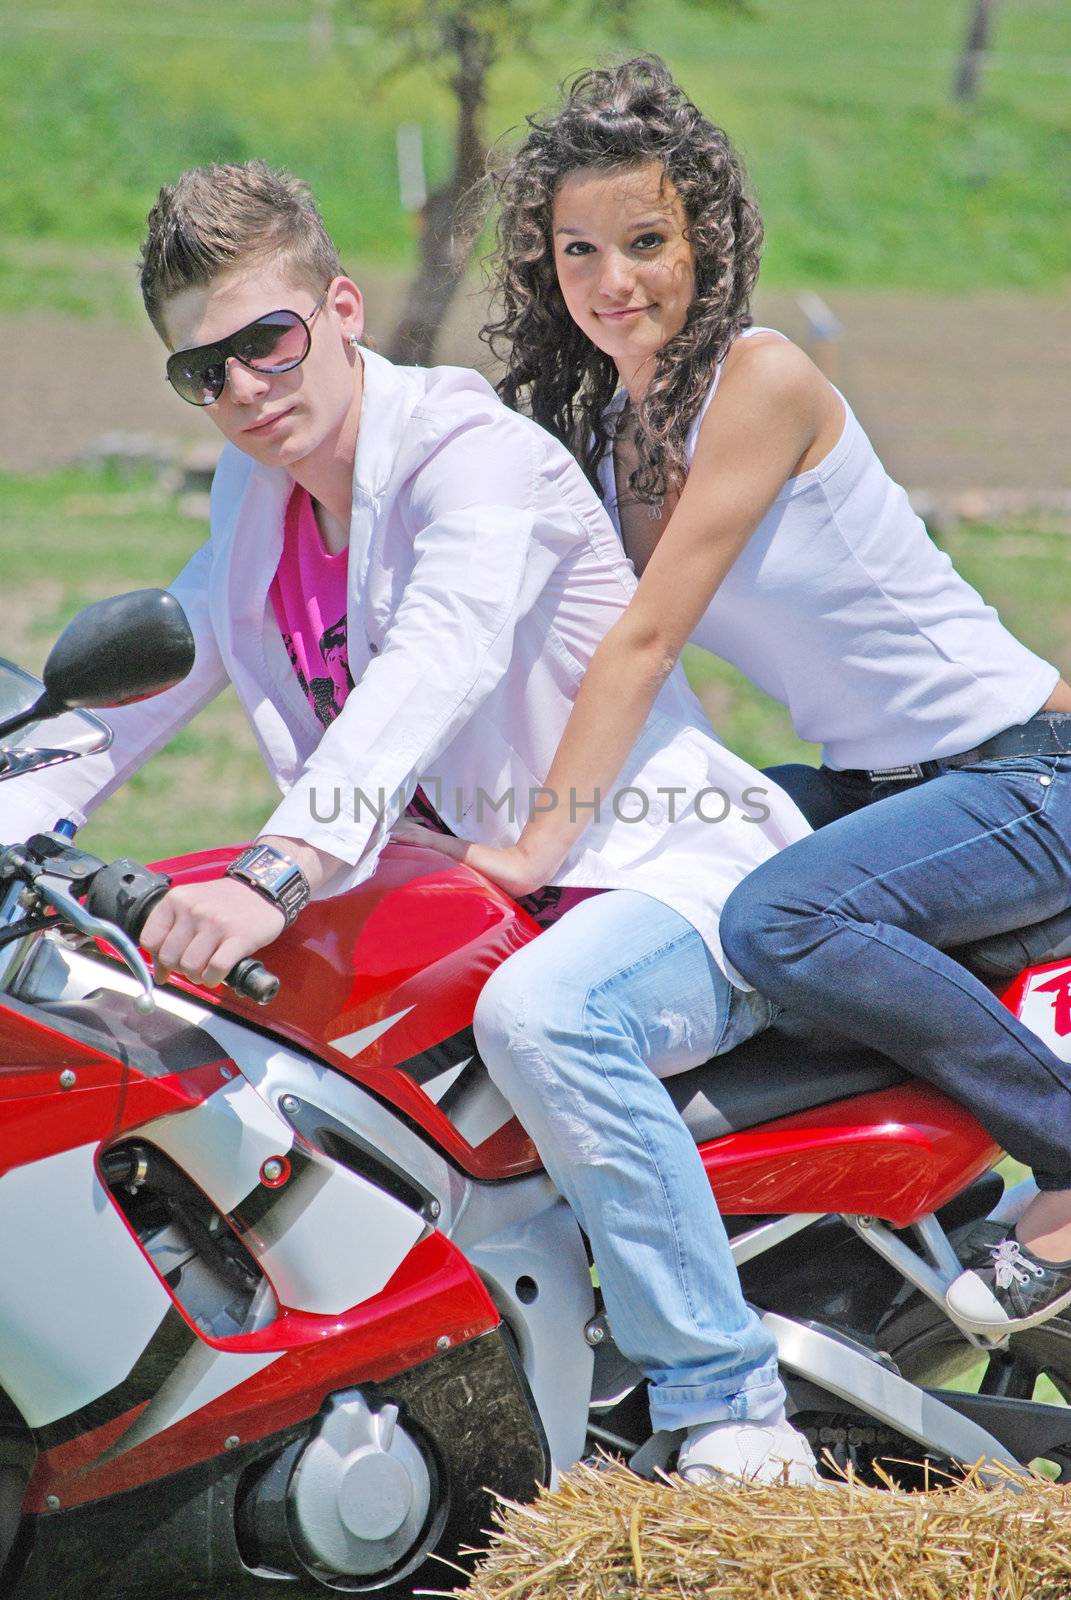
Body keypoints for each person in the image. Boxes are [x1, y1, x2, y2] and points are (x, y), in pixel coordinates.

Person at [0, 160, 824, 1484]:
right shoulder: (256, 499)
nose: (242, 389)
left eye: (262, 340)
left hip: (659, 876)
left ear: (336, 307)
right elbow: (149, 683)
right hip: (484, 896)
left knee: (547, 1018)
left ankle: (725, 1407)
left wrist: (276, 867)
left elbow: (431, 662)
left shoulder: (469, 459)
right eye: (199, 372)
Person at [401, 57, 1071, 1334]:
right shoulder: (610, 435)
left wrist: (542, 833)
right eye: (580, 250)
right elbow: (533, 628)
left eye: (646, 241)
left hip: (1027, 772)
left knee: (777, 917)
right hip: (893, 785)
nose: (614, 283)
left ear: (704, 234)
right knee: (690, 863)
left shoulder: (761, 382)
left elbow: (647, 642)